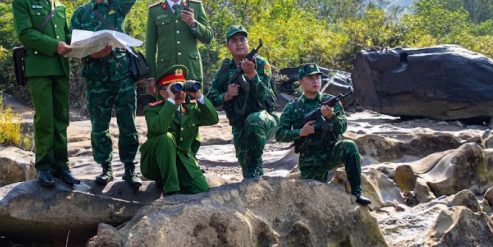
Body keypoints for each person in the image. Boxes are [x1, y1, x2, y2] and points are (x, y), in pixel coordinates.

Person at [70, 0, 144, 187]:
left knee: (128, 124)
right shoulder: (81, 14)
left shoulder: (117, 6)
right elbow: (74, 46)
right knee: (99, 126)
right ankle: (105, 168)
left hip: (122, 75)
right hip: (96, 78)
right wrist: (92, 52)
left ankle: (131, 168)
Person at [12, 0, 79, 188]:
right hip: (39, 67)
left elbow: (69, 36)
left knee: (62, 119)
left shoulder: (59, 6)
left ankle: (62, 165)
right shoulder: (23, 2)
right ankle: (44, 166)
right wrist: (55, 45)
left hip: (61, 68)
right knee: (45, 119)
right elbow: (26, 34)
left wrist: (86, 44)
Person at [276, 63, 371, 206]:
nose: (315, 81)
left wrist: (331, 117)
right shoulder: (293, 107)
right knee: (313, 201)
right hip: (309, 159)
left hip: (330, 151)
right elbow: (280, 135)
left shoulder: (329, 102)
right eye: (310, 78)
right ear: (301, 82)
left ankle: (357, 192)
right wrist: (300, 132)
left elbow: (342, 127)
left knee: (349, 146)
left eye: (317, 78)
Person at [207, 25, 279, 179]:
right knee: (249, 172)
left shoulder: (260, 64)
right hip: (239, 125)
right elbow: (211, 98)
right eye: (234, 40)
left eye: (242, 39)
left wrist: (252, 74)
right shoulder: (224, 70)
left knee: (255, 121)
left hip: (266, 119)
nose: (239, 43)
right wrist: (225, 96)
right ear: (228, 46)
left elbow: (263, 95)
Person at [140, 65, 219, 195]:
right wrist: (171, 101)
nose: (179, 92)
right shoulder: (152, 110)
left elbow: (213, 119)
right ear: (163, 93)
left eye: (182, 88)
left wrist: (198, 96)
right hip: (156, 164)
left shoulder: (190, 109)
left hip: (184, 163)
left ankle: (177, 179)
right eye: (174, 88)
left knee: (202, 191)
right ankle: (171, 190)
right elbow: (159, 128)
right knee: (166, 138)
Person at [145, 0, 213, 95]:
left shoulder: (195, 7)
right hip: (166, 72)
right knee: (168, 113)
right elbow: (150, 48)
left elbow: (208, 37)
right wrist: (151, 77)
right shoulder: (155, 11)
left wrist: (193, 24)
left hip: (191, 71)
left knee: (193, 113)